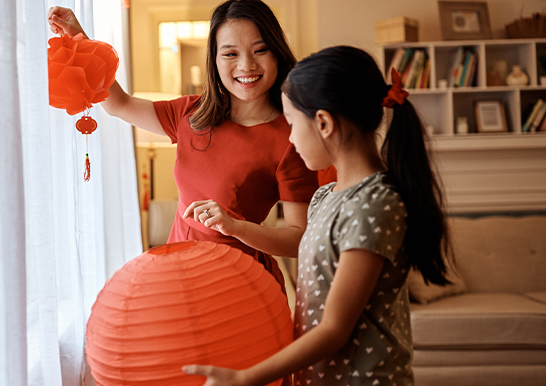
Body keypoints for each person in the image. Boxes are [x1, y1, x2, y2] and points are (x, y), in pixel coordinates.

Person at [182, 46, 454, 386]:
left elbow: (334, 330)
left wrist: (245, 378)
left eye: (292, 124)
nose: (291, 139)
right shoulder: (326, 196)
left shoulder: (374, 205)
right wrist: (235, 227)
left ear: (323, 123)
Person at [47, 0, 318, 288]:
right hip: (178, 274)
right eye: (230, 54)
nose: (246, 65)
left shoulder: (292, 137)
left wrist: (237, 227)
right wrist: (78, 37)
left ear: (276, 53)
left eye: (260, 50)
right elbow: (120, 104)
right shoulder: (193, 113)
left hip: (236, 283)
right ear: (214, 60)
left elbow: (299, 237)